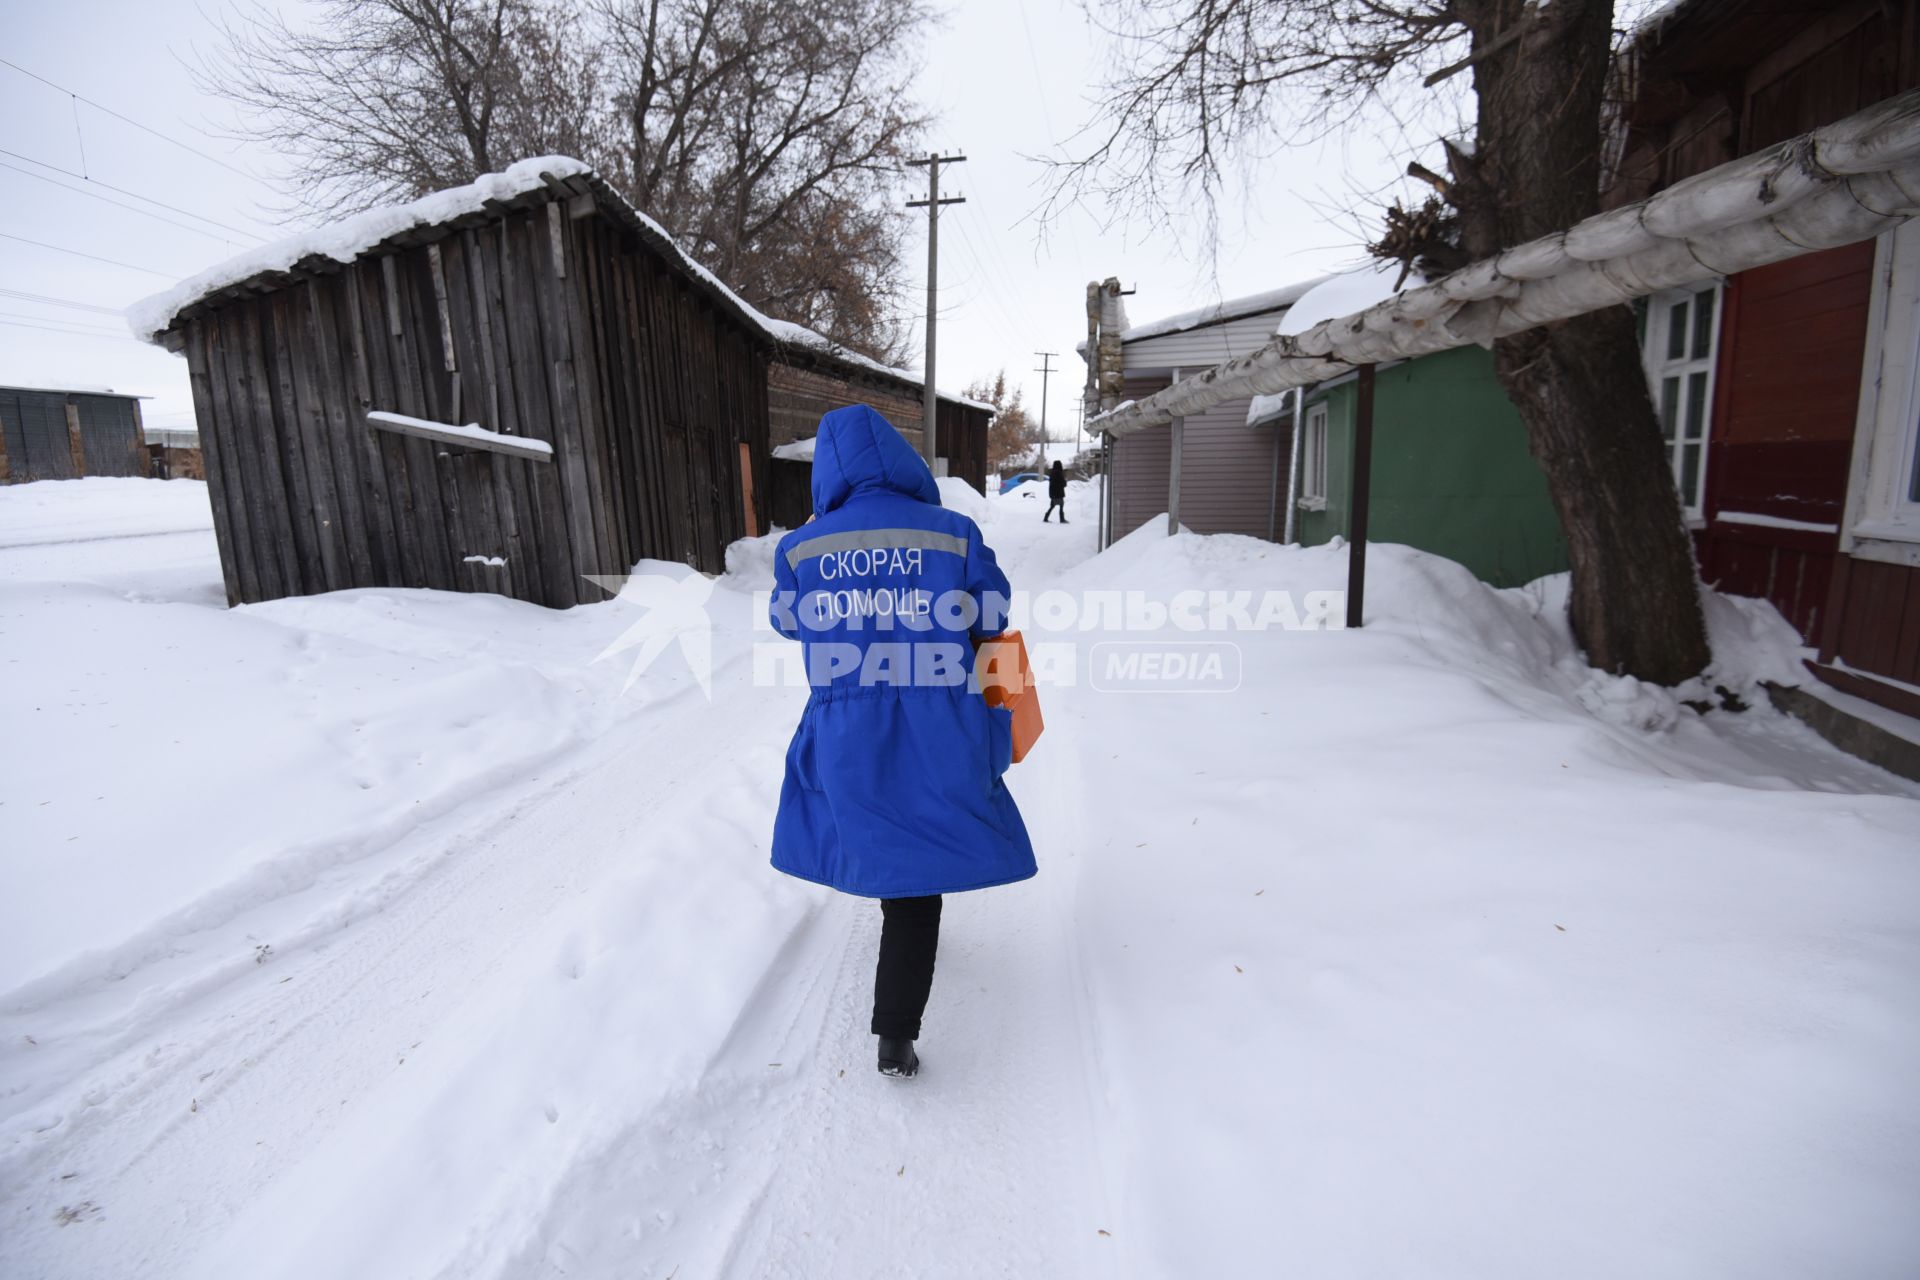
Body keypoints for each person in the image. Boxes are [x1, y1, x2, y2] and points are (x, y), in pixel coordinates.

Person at [768, 404, 1036, 1080]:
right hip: (941, 717)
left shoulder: (803, 548)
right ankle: (895, 1035)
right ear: (903, 461)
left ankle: (895, 1021)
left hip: (848, 725)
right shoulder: (953, 533)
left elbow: (787, 623)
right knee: (920, 870)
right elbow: (993, 616)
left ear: (829, 472)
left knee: (883, 842)